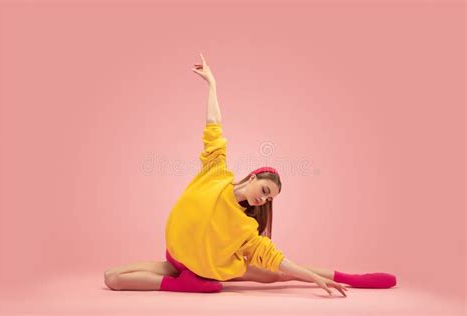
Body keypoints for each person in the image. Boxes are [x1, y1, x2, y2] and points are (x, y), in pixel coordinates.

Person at [104, 53, 396, 297]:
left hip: (211, 266)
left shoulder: (245, 227)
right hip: (181, 259)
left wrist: (313, 278)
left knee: (279, 276)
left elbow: (280, 260)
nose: (262, 200)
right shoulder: (215, 173)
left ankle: (350, 278)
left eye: (268, 199)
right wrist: (212, 84)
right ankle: (186, 286)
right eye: (266, 191)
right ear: (254, 177)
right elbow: (214, 126)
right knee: (111, 278)